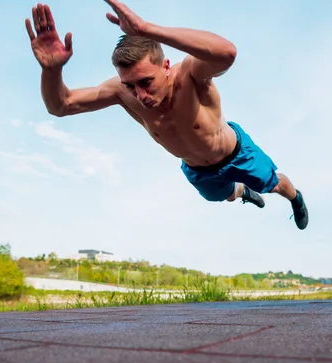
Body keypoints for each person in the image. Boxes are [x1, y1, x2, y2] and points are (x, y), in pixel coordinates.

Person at [24, 1, 309, 229]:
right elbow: (61, 105)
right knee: (224, 195)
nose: (140, 95)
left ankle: (296, 198)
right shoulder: (121, 92)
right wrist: (51, 70)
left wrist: (148, 29)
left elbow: (227, 53)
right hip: (197, 169)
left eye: (146, 82)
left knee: (273, 184)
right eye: (130, 86)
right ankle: (242, 192)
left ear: (166, 66)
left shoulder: (191, 75)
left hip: (236, 153)